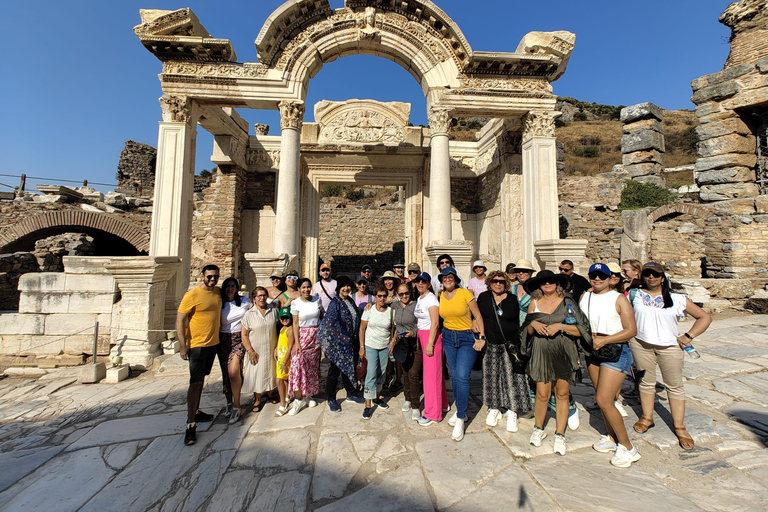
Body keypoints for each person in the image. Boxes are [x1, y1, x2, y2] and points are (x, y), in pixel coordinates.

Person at [629, 262, 712, 450]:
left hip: (669, 347)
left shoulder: (677, 298)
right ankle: (647, 417)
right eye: (647, 274)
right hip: (641, 344)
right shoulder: (635, 295)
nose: (651, 278)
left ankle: (680, 427)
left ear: (662, 277)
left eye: (655, 275)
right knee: (646, 382)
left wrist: (688, 336)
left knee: (674, 386)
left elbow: (704, 317)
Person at [522, 270, 591, 456]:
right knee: (542, 393)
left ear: (557, 283)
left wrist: (560, 326)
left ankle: (560, 433)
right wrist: (532, 326)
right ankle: (538, 428)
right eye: (543, 281)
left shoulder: (568, 302)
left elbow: (583, 329)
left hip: (564, 349)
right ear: (538, 285)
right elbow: (525, 331)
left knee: (562, 393)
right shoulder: (534, 303)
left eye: (550, 281)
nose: (547, 284)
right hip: (541, 350)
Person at [580, 264, 641, 467]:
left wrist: (605, 340)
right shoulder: (585, 297)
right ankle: (612, 437)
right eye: (593, 275)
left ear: (609, 278)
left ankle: (628, 447)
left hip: (614, 350)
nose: (597, 279)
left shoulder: (618, 298)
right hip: (592, 350)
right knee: (601, 396)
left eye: (602, 276)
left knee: (604, 399)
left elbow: (631, 329)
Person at [476, 270, 531, 432]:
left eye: (501, 281)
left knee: (512, 376)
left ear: (506, 283)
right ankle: (494, 407)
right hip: (491, 342)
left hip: (510, 343)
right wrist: (478, 331)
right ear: (489, 283)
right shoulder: (484, 298)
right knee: (491, 375)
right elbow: (478, 317)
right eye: (495, 281)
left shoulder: (512, 299)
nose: (498, 284)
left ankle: (513, 410)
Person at [438, 266, 486, 442]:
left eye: (450, 277)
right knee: (455, 376)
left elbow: (478, 316)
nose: (447, 279)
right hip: (449, 337)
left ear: (456, 279)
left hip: (467, 337)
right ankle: (460, 409)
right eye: (444, 277)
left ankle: (460, 417)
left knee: (463, 376)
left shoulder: (465, 293)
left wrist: (481, 337)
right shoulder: (440, 296)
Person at [176, 264, 222, 446]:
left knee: (202, 379)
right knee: (194, 383)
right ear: (202, 275)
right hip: (197, 345)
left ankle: (196, 411)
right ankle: (190, 424)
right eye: (209, 276)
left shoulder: (218, 292)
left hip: (214, 344)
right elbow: (180, 319)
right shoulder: (192, 295)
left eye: (215, 276)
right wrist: (182, 345)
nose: (212, 279)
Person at [318, 276, 365, 412]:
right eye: (343, 286)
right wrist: (343, 337)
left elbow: (355, 317)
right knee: (335, 371)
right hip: (338, 344)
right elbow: (330, 324)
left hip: (351, 343)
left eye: (348, 286)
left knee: (349, 368)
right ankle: (331, 398)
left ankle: (350, 393)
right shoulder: (335, 303)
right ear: (339, 288)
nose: (346, 288)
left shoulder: (350, 300)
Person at [413, 272, 450, 427]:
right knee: (434, 374)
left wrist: (430, 344)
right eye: (418, 281)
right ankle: (442, 403)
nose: (420, 284)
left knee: (430, 377)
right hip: (422, 335)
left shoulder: (431, 300)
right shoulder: (420, 298)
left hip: (431, 336)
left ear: (429, 284)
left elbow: (435, 323)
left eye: (424, 282)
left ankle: (433, 413)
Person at [288, 278, 324, 415]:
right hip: (302, 336)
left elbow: (321, 316)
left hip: (316, 336)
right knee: (297, 365)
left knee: (312, 367)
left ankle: (308, 395)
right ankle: (298, 399)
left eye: (308, 287)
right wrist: (297, 343)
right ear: (299, 289)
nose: (306, 290)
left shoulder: (317, 300)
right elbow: (295, 323)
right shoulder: (295, 303)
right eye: (303, 287)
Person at [240, 285, 278, 416]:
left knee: (272, 370)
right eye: (259, 296)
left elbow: (278, 327)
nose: (262, 298)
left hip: (271, 346)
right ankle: (257, 399)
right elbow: (244, 334)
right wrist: (250, 350)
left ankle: (271, 393)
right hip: (257, 349)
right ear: (254, 298)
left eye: (264, 295)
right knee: (257, 372)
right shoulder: (249, 314)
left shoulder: (273, 310)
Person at [219, 277, 253, 423]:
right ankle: (228, 401)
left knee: (234, 372)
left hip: (238, 340)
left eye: (233, 286)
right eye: (227, 286)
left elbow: (254, 311)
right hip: (222, 340)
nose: (230, 289)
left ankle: (237, 405)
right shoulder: (219, 303)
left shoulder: (244, 302)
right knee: (226, 373)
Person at [359, 286, 394, 419]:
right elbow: (362, 329)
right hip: (370, 345)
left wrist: (392, 341)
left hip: (384, 346)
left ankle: (377, 397)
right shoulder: (369, 310)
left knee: (382, 372)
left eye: (384, 296)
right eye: (379, 296)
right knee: (371, 372)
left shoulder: (391, 311)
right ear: (375, 297)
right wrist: (361, 347)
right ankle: (368, 404)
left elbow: (394, 328)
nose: (382, 298)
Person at [391, 282, 420, 421]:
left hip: (414, 343)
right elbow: (381, 303)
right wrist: (369, 304)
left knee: (414, 374)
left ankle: (415, 405)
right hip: (402, 344)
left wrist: (413, 332)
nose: (404, 296)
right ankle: (407, 398)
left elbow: (422, 323)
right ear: (397, 294)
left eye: (406, 293)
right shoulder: (395, 306)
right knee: (405, 372)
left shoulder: (416, 306)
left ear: (410, 292)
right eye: (401, 294)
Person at [273, 307, 293, 416]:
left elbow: (290, 347)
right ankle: (287, 396)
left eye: (286, 317)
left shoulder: (289, 330)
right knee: (284, 380)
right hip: (280, 359)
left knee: (279, 380)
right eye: (282, 318)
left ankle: (282, 404)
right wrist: (276, 349)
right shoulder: (282, 329)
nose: (285, 320)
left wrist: (285, 361)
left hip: (285, 360)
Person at [511, 259, 535, 326]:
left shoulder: (535, 289)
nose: (521, 273)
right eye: (518, 271)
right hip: (514, 324)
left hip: (529, 324)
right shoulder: (512, 288)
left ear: (530, 273)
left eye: (524, 271)